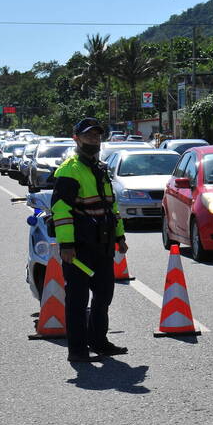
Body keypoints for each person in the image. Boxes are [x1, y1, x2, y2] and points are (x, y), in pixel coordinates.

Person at [51, 118, 129, 363]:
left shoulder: (101, 168)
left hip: (103, 246)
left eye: (97, 136)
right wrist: (66, 246)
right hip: (79, 249)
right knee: (77, 300)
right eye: (88, 136)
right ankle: (77, 350)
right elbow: (61, 211)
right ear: (76, 138)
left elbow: (111, 207)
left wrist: (120, 236)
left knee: (104, 296)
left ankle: (99, 342)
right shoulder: (69, 170)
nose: (94, 140)